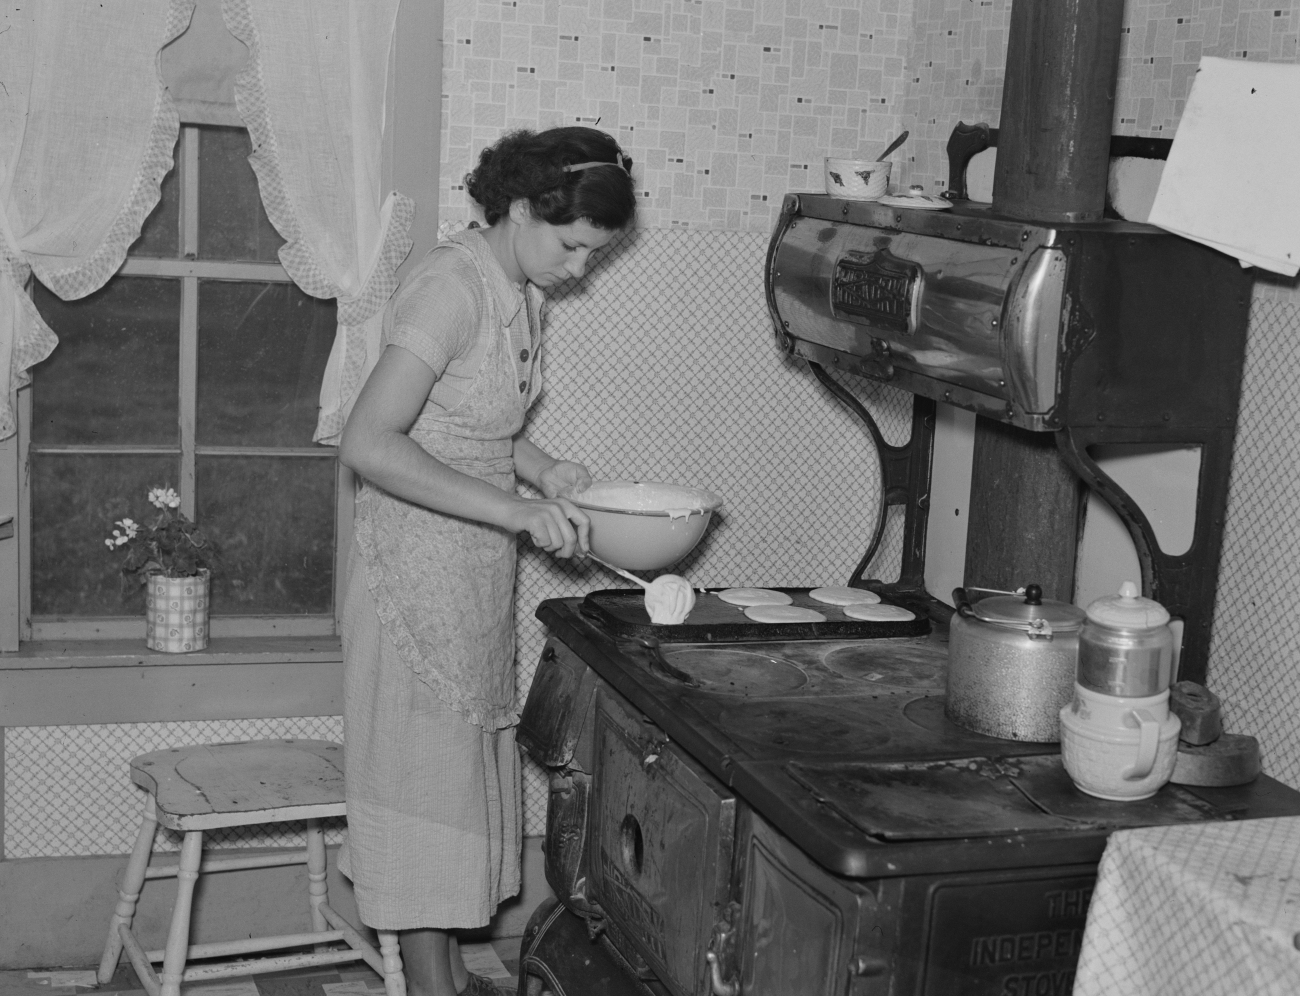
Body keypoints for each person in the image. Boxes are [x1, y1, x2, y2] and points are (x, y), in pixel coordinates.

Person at [336, 127, 636, 996]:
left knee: (452, 789)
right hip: (411, 574)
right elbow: (370, 441)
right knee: (423, 788)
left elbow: (471, 424)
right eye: (572, 245)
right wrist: (515, 505)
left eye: (595, 254)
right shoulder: (449, 287)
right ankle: (434, 989)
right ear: (516, 209)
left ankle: (445, 982)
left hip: (469, 571)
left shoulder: (519, 286)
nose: (580, 269)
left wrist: (543, 469)